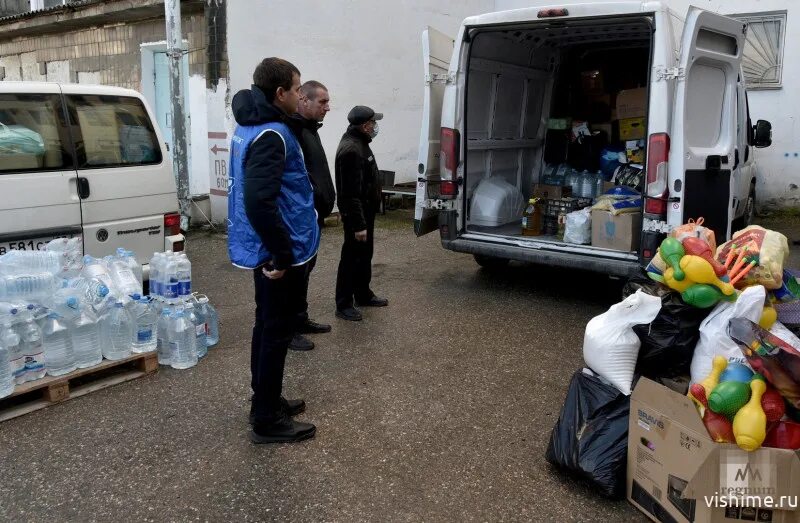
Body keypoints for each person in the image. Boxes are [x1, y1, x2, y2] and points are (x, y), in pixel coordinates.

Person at [228, 57, 318, 443]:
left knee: (266, 325)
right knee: (274, 331)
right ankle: (266, 420)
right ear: (279, 93)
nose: (301, 95)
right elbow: (259, 202)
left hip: (264, 247)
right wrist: (281, 256)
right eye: (297, 89)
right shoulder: (271, 134)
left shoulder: (250, 126)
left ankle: (266, 399)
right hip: (275, 253)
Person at [288, 80, 336, 351]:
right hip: (302, 218)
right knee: (295, 274)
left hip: (314, 216)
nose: (327, 107)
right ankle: (288, 331)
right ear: (303, 100)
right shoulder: (293, 130)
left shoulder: (310, 129)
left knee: (306, 270)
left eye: (327, 102)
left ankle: (301, 319)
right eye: (322, 102)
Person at [334, 105, 388, 321]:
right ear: (366, 126)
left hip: (366, 213)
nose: (376, 127)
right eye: (374, 123)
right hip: (358, 216)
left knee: (364, 256)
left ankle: (363, 294)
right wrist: (359, 225)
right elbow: (349, 193)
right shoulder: (351, 150)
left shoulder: (361, 143)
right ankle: (344, 304)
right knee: (351, 259)